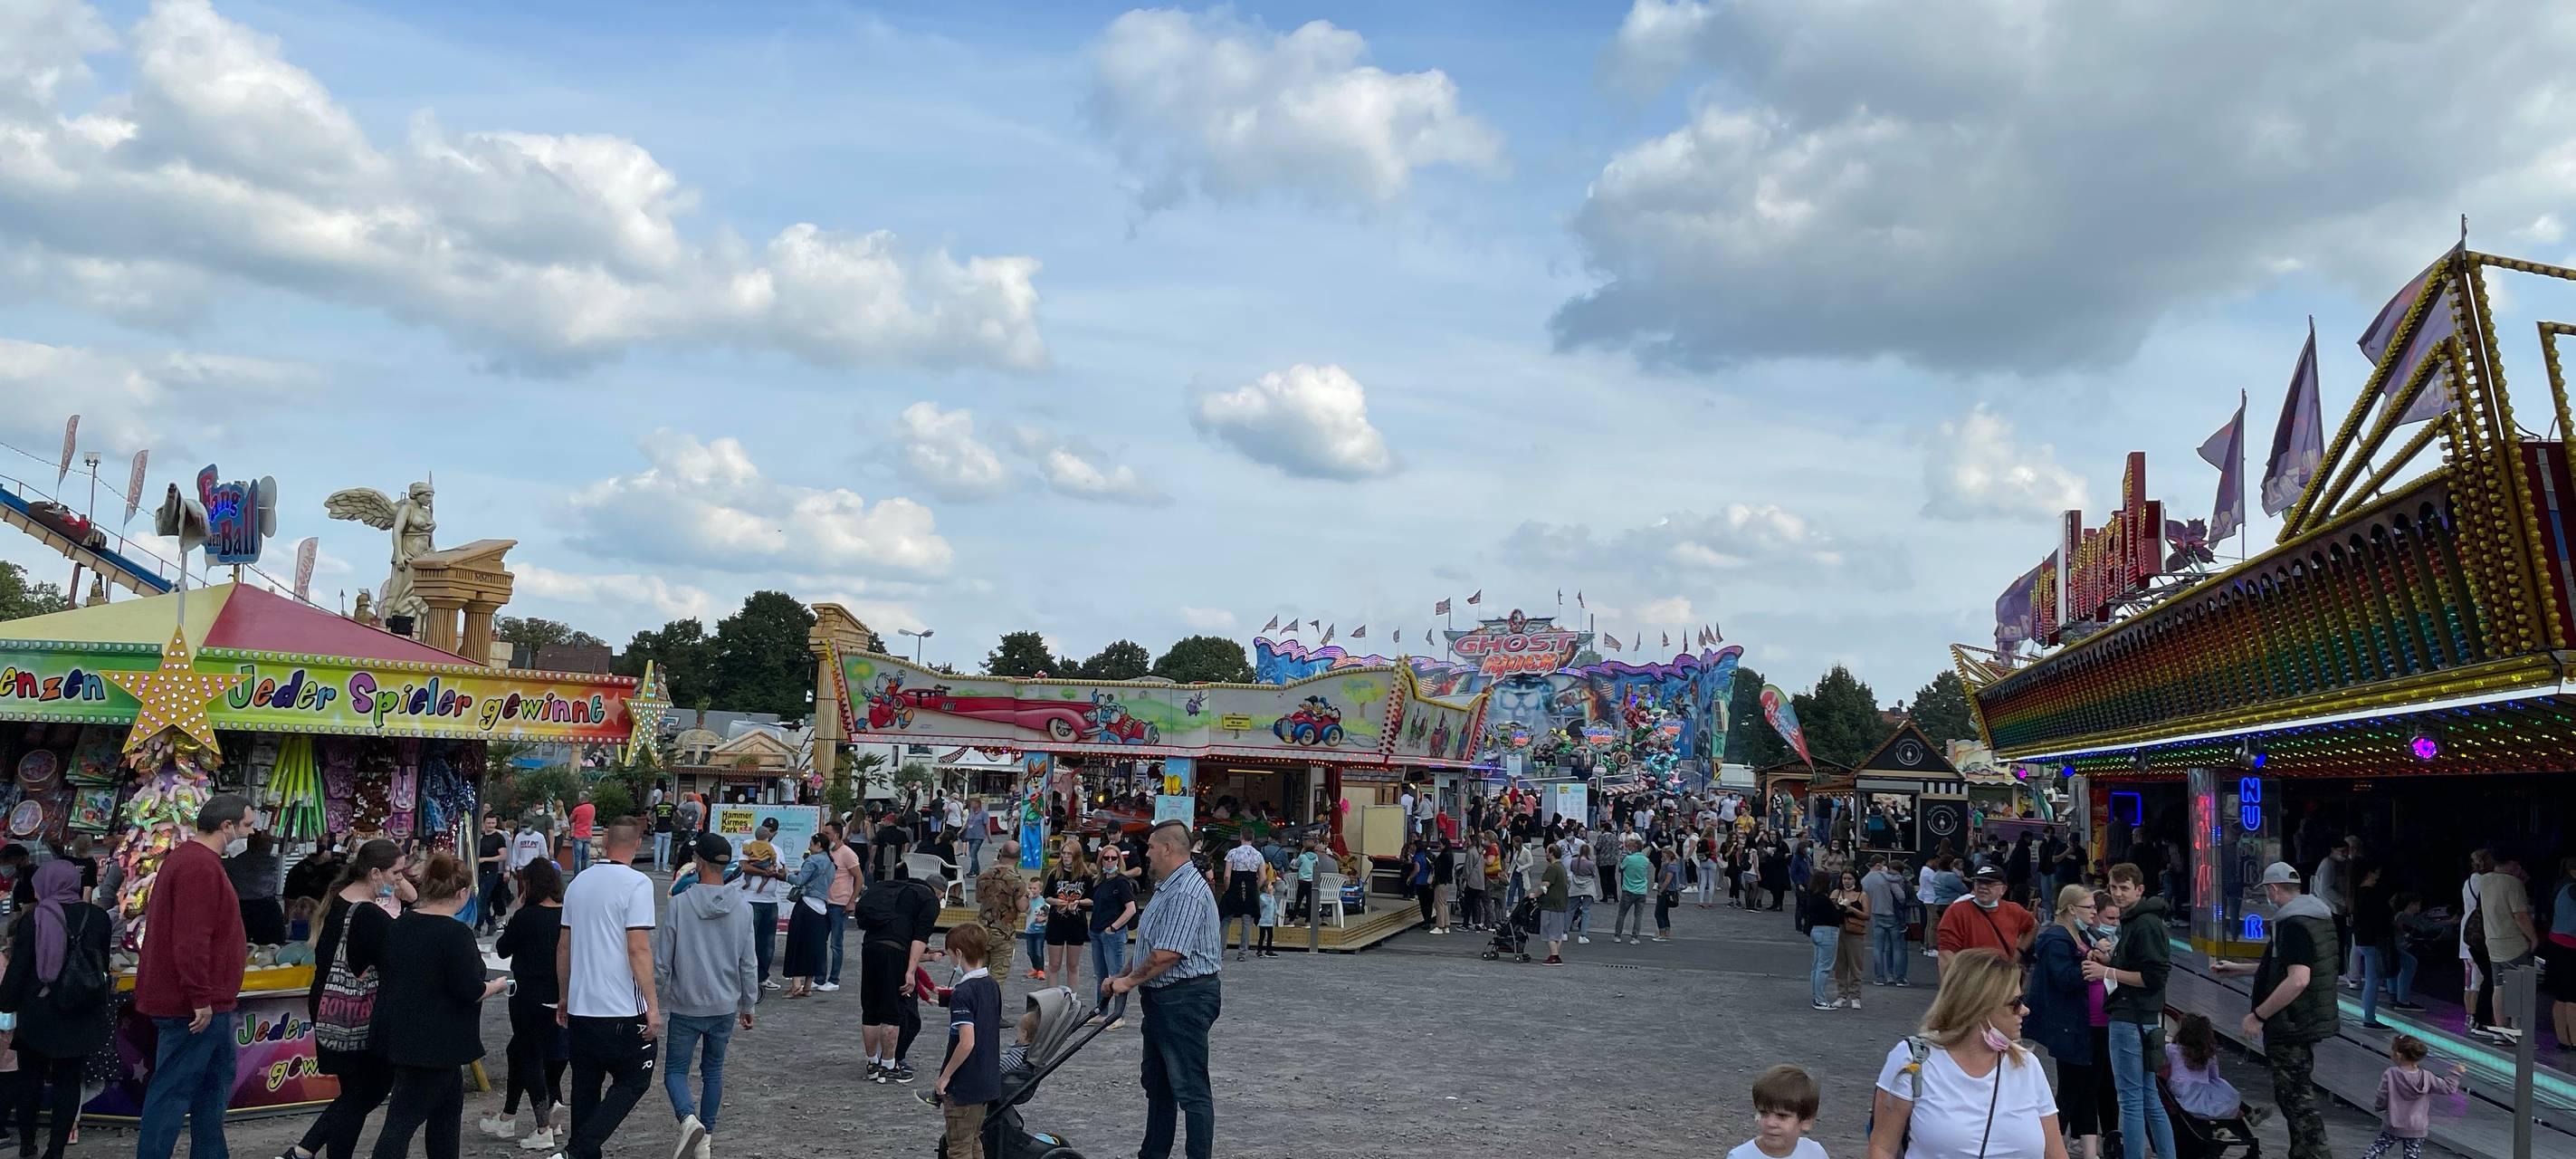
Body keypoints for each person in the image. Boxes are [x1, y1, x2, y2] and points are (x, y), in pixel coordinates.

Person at [367, 853, 509, 1159]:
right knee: (401, 1123)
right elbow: (470, 989)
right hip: (437, 1042)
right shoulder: (455, 933)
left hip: (404, 1032)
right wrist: (496, 986)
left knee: (446, 1116)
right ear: (462, 892)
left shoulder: (401, 924)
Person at [135, 792, 252, 1159]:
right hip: (194, 1007)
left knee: (212, 1090)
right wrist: (200, 997)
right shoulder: (198, 866)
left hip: (209, 1002)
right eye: (247, 825)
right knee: (173, 1093)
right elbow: (191, 938)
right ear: (227, 826)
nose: (251, 833)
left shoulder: (192, 860)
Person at [1866, 947, 2066, 1159]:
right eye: (2015, 1003)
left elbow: (2055, 1153)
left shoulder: (2027, 1065)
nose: (2025, 1010)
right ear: (1979, 1006)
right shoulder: (1913, 1059)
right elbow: (1882, 1148)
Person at [1104, 820, 1224, 1159]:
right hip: (1163, 999)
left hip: (1185, 998)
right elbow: (1150, 946)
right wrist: (1121, 975)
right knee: (1158, 1085)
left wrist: (1128, 982)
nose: (1147, 854)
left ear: (1168, 849)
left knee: (1190, 1088)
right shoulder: (1167, 887)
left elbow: (1169, 953)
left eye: (1152, 847)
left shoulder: (1186, 892)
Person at [285, 839, 405, 1159]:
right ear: (375, 873)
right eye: (396, 873)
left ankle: (309, 1152)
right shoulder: (369, 915)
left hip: (328, 1006)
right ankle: (303, 1149)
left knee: (352, 1092)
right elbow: (400, 956)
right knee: (368, 1089)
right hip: (356, 1012)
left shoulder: (338, 900)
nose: (399, 880)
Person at [2209, 862, 2338, 1159]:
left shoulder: (2293, 924)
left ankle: (2315, 1155)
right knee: (2295, 1095)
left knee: (2296, 1099)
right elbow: (2290, 966)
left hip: (2291, 1023)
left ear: (2273, 889)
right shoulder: (2317, 917)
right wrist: (2240, 969)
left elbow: (2298, 979)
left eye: (2267, 891)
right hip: (2306, 1019)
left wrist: (2259, 1015)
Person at [558, 821, 660, 1159]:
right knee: (634, 1080)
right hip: (621, 1008)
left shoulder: (578, 883)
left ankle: (580, 1152)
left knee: (585, 1089)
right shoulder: (637, 884)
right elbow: (638, 948)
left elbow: (564, 946)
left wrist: (564, 995)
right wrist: (652, 1006)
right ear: (638, 843)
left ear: (603, 843)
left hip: (581, 1006)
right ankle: (577, 1150)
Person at [655, 834, 757, 1159]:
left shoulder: (680, 905)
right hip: (724, 1004)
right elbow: (748, 962)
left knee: (675, 1071)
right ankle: (706, 1139)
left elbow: (662, 962)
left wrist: (650, 999)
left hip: (686, 1003)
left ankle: (688, 1119)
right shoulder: (742, 908)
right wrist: (748, 1003)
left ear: (698, 862)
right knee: (713, 1071)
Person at [0, 861, 110, 1159]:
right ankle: (56, 1150)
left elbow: (19, 969)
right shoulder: (97, 918)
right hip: (80, 1009)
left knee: (30, 1080)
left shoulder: (33, 919)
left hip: (38, 1009)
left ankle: (27, 1143)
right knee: (69, 1081)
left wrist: (6, 1006)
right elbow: (101, 964)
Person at [2085, 863, 2175, 1159]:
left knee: (2132, 1100)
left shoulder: (2144, 924)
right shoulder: (2140, 920)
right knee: (2148, 1098)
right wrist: (2111, 961)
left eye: (2124, 888)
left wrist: (2107, 971)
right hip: (2141, 1018)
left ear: (2139, 889)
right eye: (2114, 888)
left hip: (2131, 1018)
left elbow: (2153, 977)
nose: (2118, 894)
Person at [486, 857, 568, 1150]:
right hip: (559, 993)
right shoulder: (566, 915)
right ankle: (513, 1116)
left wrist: (516, 913)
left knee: (529, 1055)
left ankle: (543, 1125)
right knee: (524, 1051)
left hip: (528, 994)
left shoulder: (527, 916)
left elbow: (502, 948)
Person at [2027, 885, 2107, 1159]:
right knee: (2071, 1089)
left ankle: (2087, 1150)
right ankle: (2051, 1147)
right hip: (2070, 1024)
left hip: (2087, 1022)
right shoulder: (2057, 939)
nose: (2094, 912)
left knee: (2087, 1087)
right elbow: (2064, 978)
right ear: (2072, 909)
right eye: (2089, 907)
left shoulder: (2080, 934)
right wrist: (2090, 961)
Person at [857, 864, 941, 1085]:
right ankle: (889, 1066)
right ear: (937, 892)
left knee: (871, 1010)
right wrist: (911, 972)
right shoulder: (928, 900)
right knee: (892, 1011)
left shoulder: (893, 889)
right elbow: (919, 938)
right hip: (895, 952)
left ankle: (872, 1064)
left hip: (870, 946)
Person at [935, 924, 1003, 1159]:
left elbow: (966, 1042)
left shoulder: (963, 992)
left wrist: (945, 1076)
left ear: (958, 953)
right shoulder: (992, 985)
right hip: (986, 1079)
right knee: (974, 1141)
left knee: (959, 1148)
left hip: (964, 1084)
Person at [2468, 847, 2539, 1040]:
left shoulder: (2485, 880)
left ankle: (2501, 1032)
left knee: (2499, 986)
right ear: (2512, 863)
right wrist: (2533, 938)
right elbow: (2520, 915)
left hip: (2493, 941)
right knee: (2518, 987)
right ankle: (2517, 1032)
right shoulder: (2512, 883)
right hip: (2513, 942)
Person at [2363, 1034, 2465, 1159]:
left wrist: (2379, 1106)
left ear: (2398, 1055)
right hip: (2417, 1127)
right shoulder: (2427, 1076)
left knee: (2377, 1149)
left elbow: (2382, 1095)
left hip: (2393, 1124)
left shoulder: (2391, 1074)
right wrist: (2455, 1073)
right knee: (2412, 1155)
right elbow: (2448, 1088)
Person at [1937, 865, 2035, 969]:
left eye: (1990, 883)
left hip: (2003, 975)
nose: (1983, 887)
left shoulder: (2014, 910)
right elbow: (1946, 953)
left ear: (2003, 889)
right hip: (1971, 974)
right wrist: (1956, 977)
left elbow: (2033, 926)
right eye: (1979, 882)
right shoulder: (1956, 912)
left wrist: (2019, 952)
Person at [2163, 1013, 2254, 1126]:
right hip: (2202, 1089)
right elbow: (2214, 1077)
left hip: (2182, 1090)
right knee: (2220, 1099)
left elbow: (2162, 1067)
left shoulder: (2171, 1049)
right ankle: (2241, 1114)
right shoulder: (2208, 1054)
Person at [1730, 1064, 1827, 1159]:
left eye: (1782, 1116)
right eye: (1763, 1113)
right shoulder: (1740, 1156)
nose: (1770, 1123)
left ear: (1806, 1121)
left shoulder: (1815, 1153)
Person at [780, 834, 833, 999]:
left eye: (811, 843)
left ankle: (796, 984)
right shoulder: (831, 863)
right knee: (814, 947)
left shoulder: (812, 860)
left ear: (818, 845)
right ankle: (807, 986)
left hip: (806, 905)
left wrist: (786, 875)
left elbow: (799, 881)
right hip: (821, 907)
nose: (809, 847)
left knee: (796, 943)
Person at [737, 819, 786, 992]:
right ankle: (742, 978)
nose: (769, 832)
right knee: (747, 941)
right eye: (766, 828)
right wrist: (765, 872)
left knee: (767, 943)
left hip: (770, 901)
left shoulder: (777, 850)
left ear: (775, 833)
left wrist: (774, 874)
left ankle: (762, 977)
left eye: (771, 830)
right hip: (750, 900)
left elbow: (783, 873)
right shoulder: (748, 843)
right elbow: (744, 867)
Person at [820, 820, 864, 993]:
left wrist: (852, 900)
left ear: (837, 835)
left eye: (827, 833)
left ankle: (834, 979)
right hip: (824, 902)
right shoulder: (827, 852)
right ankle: (819, 978)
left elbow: (859, 878)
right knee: (820, 941)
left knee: (836, 944)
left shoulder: (847, 853)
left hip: (840, 904)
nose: (825, 836)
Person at [974, 840, 1028, 984]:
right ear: (1019, 857)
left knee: (977, 974)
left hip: (982, 930)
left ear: (1000, 853)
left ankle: (976, 998)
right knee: (998, 977)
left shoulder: (984, 875)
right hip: (1004, 933)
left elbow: (978, 899)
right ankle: (992, 999)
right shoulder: (1017, 880)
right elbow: (1022, 907)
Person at [1043, 843, 1094, 990]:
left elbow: (1091, 900)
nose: (1065, 857)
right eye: (1064, 853)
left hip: (1076, 922)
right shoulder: (1054, 874)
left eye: (1069, 854)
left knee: (1073, 964)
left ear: (1076, 856)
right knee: (1054, 964)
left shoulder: (1086, 876)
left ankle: (1072, 996)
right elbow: (1047, 896)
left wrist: (1078, 902)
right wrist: (1056, 901)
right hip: (1056, 922)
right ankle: (1052, 995)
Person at [226, 830, 286, 944]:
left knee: (272, 947)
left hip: (265, 905)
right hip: (238, 905)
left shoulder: (272, 843)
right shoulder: (232, 846)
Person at [1801, 874, 1849, 1011]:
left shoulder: (1811, 897)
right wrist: (1843, 906)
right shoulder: (1823, 899)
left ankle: (1816, 996)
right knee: (1824, 967)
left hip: (1816, 930)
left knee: (1817, 966)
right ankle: (1820, 999)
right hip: (1828, 932)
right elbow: (1836, 917)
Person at [1865, 857, 1913, 987]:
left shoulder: (1866, 880)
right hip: (1892, 915)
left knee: (1878, 948)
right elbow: (1901, 896)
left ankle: (1880, 977)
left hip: (1876, 914)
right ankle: (1899, 978)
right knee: (1897, 948)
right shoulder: (1888, 879)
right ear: (1879, 865)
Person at [2547, 856, 2576, 1051]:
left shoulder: (2560, 886)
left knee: (2562, 995)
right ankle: (2575, 1040)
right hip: (2570, 947)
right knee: (2573, 997)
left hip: (2555, 944)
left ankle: (2563, 1039)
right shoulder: (2573, 888)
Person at [1832, 868, 1870, 1008]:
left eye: (1849, 879)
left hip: (1855, 932)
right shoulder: (1836, 893)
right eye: (1844, 878)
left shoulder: (1862, 895)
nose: (1846, 881)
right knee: (1840, 965)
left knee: (1856, 965)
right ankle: (1841, 995)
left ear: (1855, 880)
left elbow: (1867, 915)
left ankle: (1855, 996)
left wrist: (1851, 909)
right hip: (1838, 930)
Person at [1223, 833, 1264, 956]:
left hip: (1235, 885)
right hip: (1250, 887)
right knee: (1246, 920)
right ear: (1253, 838)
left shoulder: (1233, 853)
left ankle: (1221, 950)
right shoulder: (1258, 855)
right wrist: (1255, 887)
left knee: (1226, 919)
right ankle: (1243, 952)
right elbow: (1263, 877)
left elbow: (1227, 875)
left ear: (1241, 837)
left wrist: (1227, 888)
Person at [1536, 844, 1571, 966]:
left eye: (1547, 851)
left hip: (1551, 904)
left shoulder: (1552, 868)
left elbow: (1545, 885)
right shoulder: (1561, 867)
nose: (1545, 854)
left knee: (1548, 931)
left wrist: (1535, 895)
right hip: (1561, 904)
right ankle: (1555, 954)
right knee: (1557, 933)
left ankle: (1554, 956)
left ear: (1551, 853)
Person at [476, 815, 511, 934]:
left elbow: (503, 856)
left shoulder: (499, 838)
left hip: (491, 872)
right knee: (482, 899)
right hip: (479, 871)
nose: (490, 825)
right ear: (484, 823)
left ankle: (478, 927)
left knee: (481, 899)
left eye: (493, 823)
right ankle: (491, 923)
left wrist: (485, 859)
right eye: (488, 823)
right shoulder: (480, 837)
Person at [1615, 836, 1652, 944]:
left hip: (1628, 889)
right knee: (1638, 915)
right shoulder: (1646, 860)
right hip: (1641, 890)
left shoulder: (1628, 859)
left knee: (1622, 914)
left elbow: (1621, 869)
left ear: (1634, 848)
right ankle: (1635, 937)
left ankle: (1618, 935)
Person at [1654, 846, 1684, 943]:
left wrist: (1661, 890)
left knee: (1658, 913)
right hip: (1665, 890)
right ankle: (1666, 933)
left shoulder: (1671, 867)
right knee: (1664, 913)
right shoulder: (1665, 866)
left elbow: (1667, 881)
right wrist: (1662, 865)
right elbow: (1659, 876)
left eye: (1664, 856)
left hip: (1666, 891)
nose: (1662, 857)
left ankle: (1662, 933)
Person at [566, 799, 596, 875]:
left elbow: (571, 819)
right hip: (588, 835)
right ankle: (585, 875)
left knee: (577, 858)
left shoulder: (578, 809)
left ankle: (577, 876)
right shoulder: (592, 807)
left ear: (581, 799)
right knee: (586, 857)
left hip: (578, 835)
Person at [649, 796, 676, 873]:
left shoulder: (657, 806)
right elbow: (680, 814)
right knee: (666, 849)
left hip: (658, 830)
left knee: (657, 848)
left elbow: (648, 814)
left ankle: (656, 867)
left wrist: (652, 822)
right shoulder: (672, 806)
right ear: (670, 798)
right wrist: (673, 821)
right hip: (668, 830)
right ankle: (665, 867)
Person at [964, 799, 989, 876]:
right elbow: (968, 823)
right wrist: (961, 830)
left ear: (978, 804)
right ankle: (975, 870)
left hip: (979, 836)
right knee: (972, 854)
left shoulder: (984, 814)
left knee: (973, 853)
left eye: (973, 803)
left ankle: (974, 871)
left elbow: (987, 825)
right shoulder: (971, 812)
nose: (972, 805)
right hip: (971, 835)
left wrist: (989, 836)